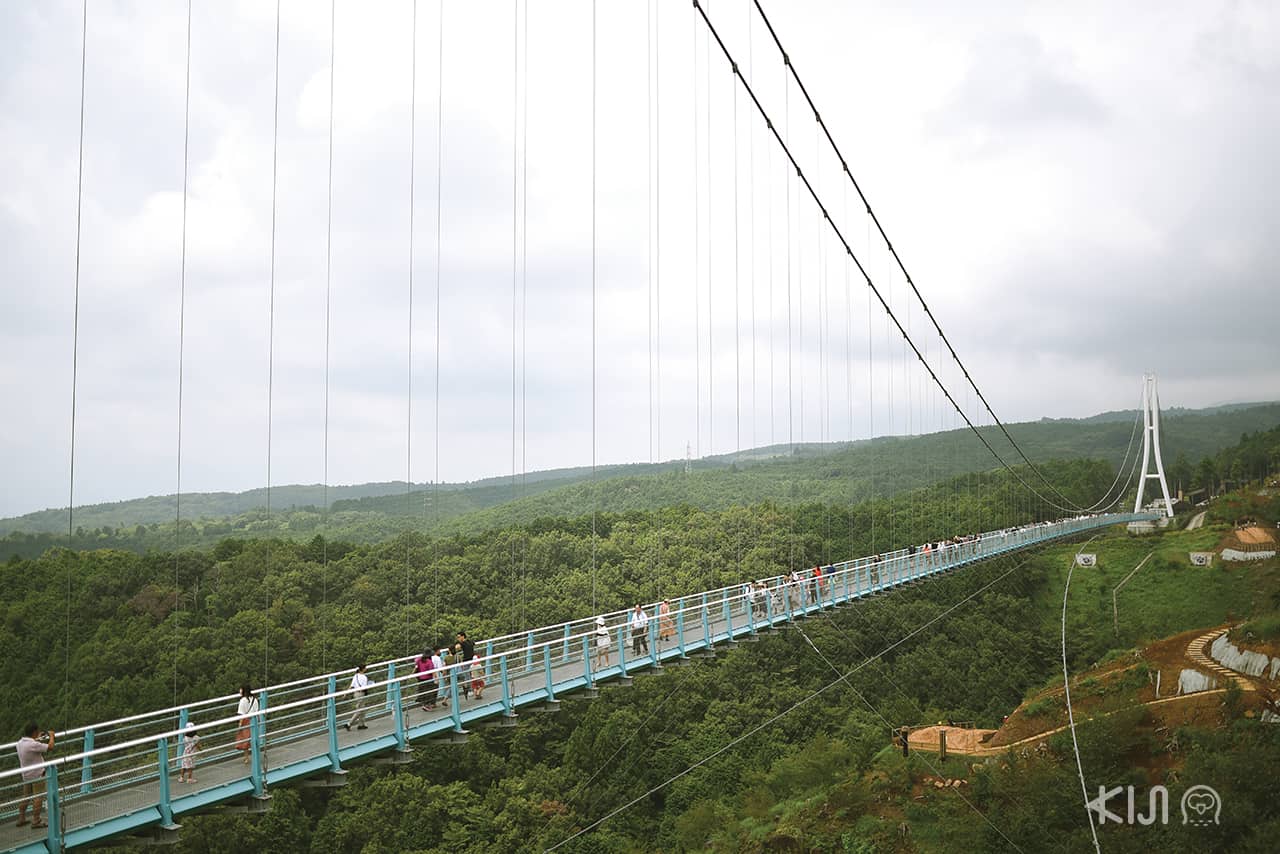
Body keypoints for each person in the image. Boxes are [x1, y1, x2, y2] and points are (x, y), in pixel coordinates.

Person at [15, 723, 55, 828]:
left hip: (26, 774)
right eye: (37, 732)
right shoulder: (33, 745)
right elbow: (50, 747)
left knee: (26, 797)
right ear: (34, 732)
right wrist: (51, 736)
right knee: (38, 797)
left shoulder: (20, 743)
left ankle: (21, 818)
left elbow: (31, 746)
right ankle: (36, 821)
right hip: (37, 774)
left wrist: (36, 739)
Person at [235, 685, 258, 765]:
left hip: (246, 721)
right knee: (253, 739)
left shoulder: (243, 700)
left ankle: (246, 758)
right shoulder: (255, 699)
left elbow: (241, 715)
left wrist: (240, 725)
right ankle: (256, 756)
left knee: (245, 740)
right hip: (254, 720)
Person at [344, 664, 370, 731]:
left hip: (356, 693)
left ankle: (361, 724)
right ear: (363, 669)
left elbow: (351, 685)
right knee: (359, 710)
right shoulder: (364, 677)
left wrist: (346, 693)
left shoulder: (355, 676)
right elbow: (364, 687)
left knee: (363, 709)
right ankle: (349, 724)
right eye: (365, 668)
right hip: (361, 694)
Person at [454, 632, 476, 698]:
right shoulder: (470, 641)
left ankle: (469, 690)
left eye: (459, 637)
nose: (458, 638)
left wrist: (457, 645)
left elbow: (457, 647)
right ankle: (471, 689)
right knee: (472, 675)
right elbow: (474, 643)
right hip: (472, 660)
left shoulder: (462, 643)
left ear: (463, 636)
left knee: (467, 676)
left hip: (466, 662)